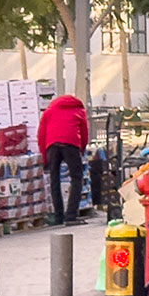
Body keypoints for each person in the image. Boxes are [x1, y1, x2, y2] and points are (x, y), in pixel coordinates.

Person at [37, 93, 89, 226]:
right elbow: (84, 133)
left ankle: (58, 216)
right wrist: (81, 150)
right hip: (71, 145)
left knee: (54, 180)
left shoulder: (49, 112)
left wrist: (44, 156)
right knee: (77, 178)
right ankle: (71, 215)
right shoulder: (79, 110)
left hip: (52, 146)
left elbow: (41, 134)